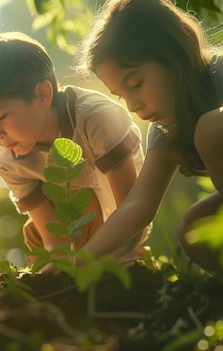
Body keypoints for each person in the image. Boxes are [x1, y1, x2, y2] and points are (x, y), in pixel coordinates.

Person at [41, 0, 223, 276]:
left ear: (177, 50)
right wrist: (75, 263)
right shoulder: (167, 129)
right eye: (121, 95)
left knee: (211, 130)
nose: (132, 106)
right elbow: (138, 205)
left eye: (136, 84)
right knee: (196, 227)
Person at [0, 32, 147, 264]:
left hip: (124, 218)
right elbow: (53, 240)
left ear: (42, 94)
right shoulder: (7, 160)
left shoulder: (95, 119)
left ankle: (124, 260)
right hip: (72, 232)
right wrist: (60, 264)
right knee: (37, 242)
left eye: (2, 116)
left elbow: (131, 209)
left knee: (81, 201)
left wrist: (100, 256)